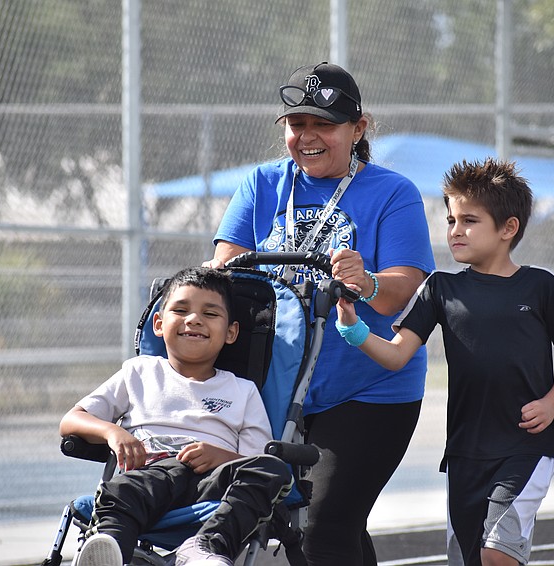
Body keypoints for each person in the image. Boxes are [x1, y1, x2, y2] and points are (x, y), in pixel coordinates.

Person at [204, 62, 436, 565]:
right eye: (296, 124)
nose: (307, 136)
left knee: (324, 526)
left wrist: (368, 281)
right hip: (274, 386)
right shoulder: (261, 183)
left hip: (367, 390)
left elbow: (403, 293)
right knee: (314, 528)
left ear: (358, 129)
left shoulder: (392, 193)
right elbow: (223, 277)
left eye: (323, 125)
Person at [335, 158, 554, 566]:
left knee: (498, 553)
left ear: (508, 228)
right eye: (451, 219)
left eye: (469, 220)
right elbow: (398, 354)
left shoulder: (542, 286)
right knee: (468, 559)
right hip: (464, 453)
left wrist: (552, 403)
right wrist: (354, 330)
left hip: (527, 445)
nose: (455, 230)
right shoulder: (439, 287)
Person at [61, 267, 294, 566]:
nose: (194, 319)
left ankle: (206, 547)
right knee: (120, 490)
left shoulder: (242, 390)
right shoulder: (140, 372)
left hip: (211, 485)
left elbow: (256, 457)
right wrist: (113, 432)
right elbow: (71, 420)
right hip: (150, 475)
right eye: (181, 309)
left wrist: (221, 456)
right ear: (158, 323)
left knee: (273, 470)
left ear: (231, 332)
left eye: (210, 314)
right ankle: (110, 551)